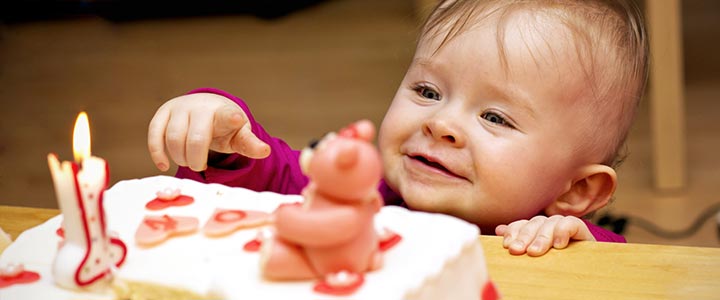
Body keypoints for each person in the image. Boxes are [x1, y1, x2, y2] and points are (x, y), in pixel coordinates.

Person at [147, 0, 648, 256]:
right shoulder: (358, 197)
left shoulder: (555, 239)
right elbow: (272, 178)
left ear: (578, 190)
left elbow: (623, 277)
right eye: (428, 92)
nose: (442, 124)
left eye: (495, 117)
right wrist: (226, 143)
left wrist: (571, 247)